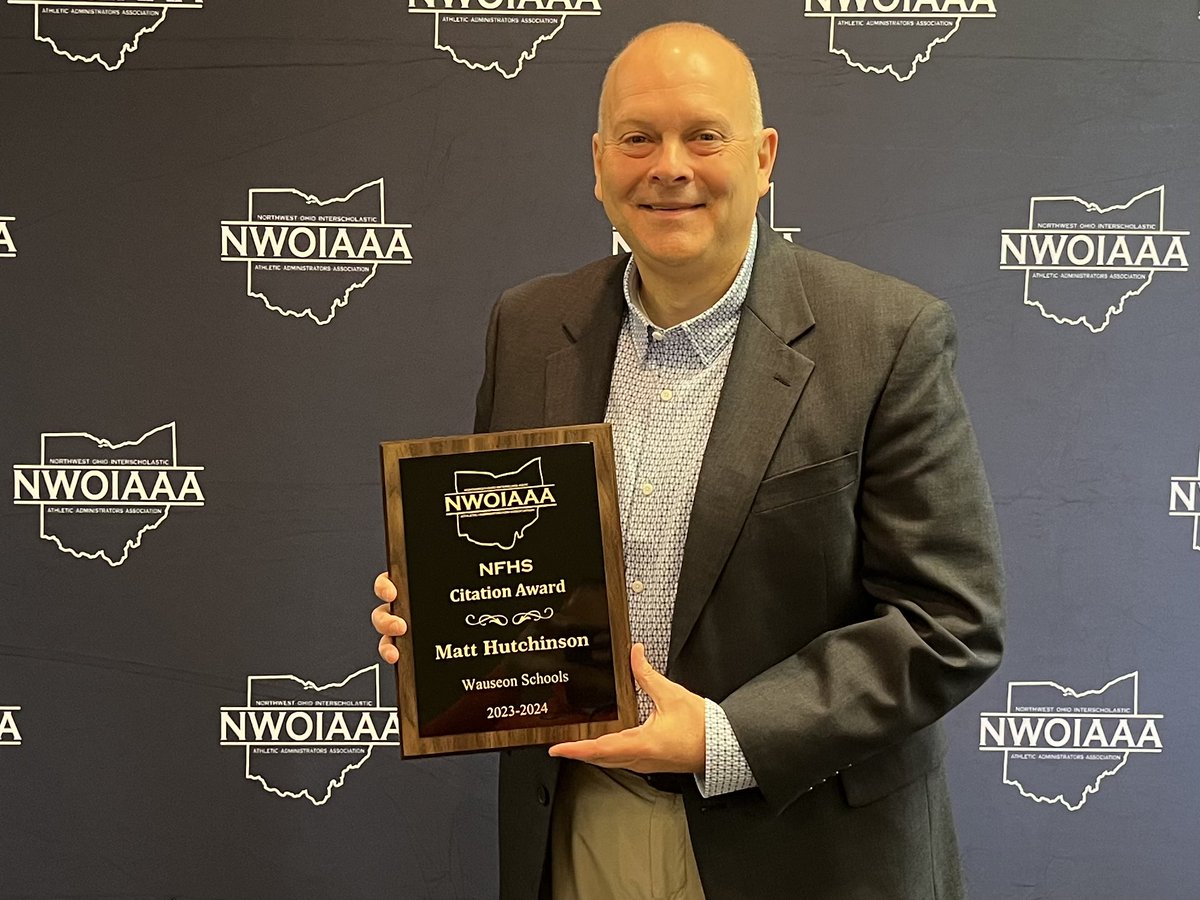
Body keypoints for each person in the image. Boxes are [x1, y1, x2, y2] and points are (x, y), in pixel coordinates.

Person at [373, 21, 1004, 900]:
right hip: (579, 822)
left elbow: (950, 621)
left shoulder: (888, 336)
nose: (669, 166)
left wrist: (723, 737)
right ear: (599, 164)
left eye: (704, 136)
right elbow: (506, 549)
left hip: (802, 843)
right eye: (638, 138)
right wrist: (444, 617)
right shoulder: (526, 326)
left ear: (763, 157)